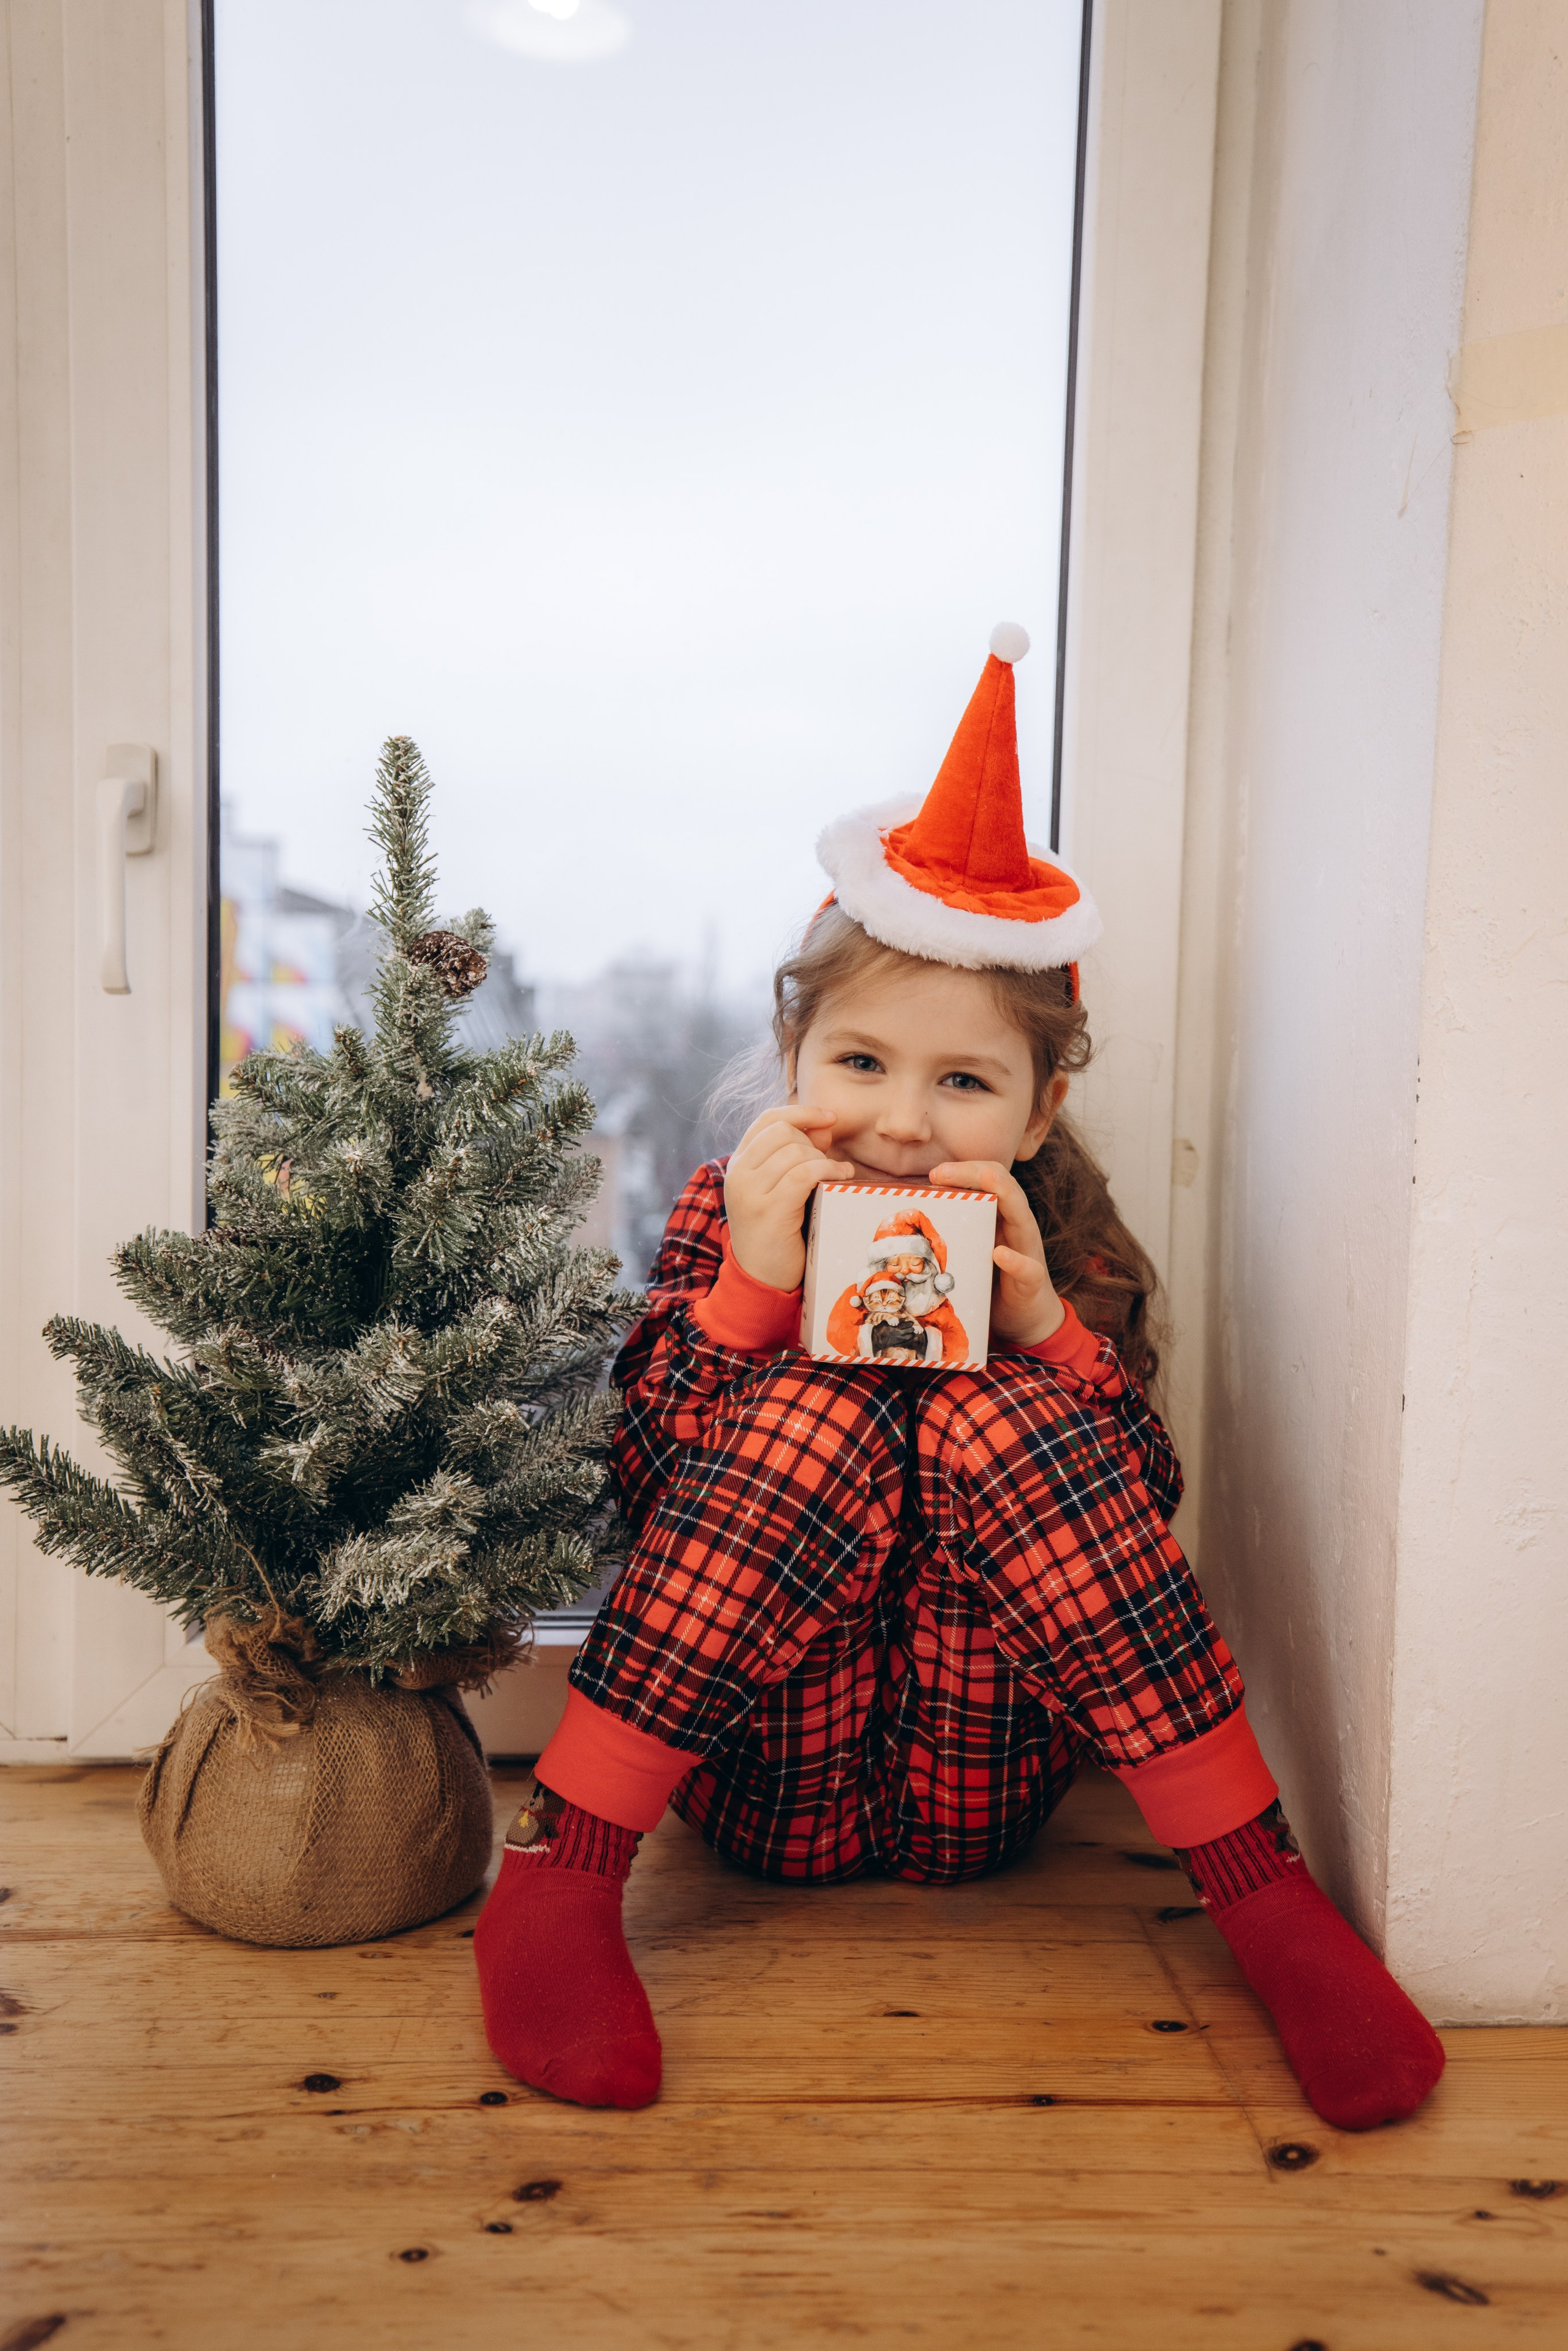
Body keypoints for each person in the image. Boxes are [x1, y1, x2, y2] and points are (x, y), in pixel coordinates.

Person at [473, 624, 1446, 2131]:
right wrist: (751, 1286)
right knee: (816, 1407)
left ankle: (1259, 1896)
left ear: (1043, 1104)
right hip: (762, 1781)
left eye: (965, 1081)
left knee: (997, 1410)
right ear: (795, 1047)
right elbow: (648, 1480)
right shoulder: (731, 1208)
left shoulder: (1063, 1243)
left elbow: (1140, 1522)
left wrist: (1053, 1331)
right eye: (859, 1062)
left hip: (975, 1782)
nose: (903, 1124)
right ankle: (564, 1864)